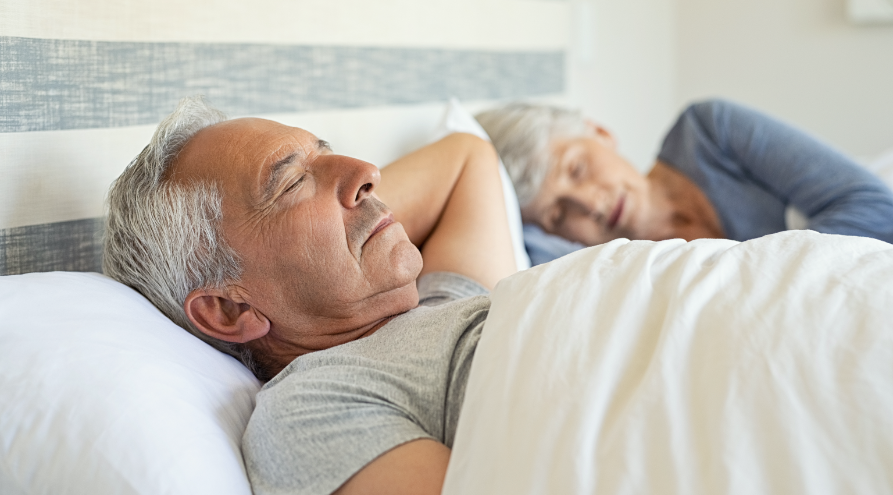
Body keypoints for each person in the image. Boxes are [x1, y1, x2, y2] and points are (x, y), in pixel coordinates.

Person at [103, 96, 518, 495]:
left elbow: (469, 158)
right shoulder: (313, 409)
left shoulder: (446, 300)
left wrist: (346, 222)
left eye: (326, 152)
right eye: (292, 182)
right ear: (230, 308)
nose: (367, 171)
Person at [476, 99, 893, 265]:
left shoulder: (709, 132)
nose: (589, 205)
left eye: (576, 170)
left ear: (599, 132)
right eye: (557, 213)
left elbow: (876, 211)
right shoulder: (594, 267)